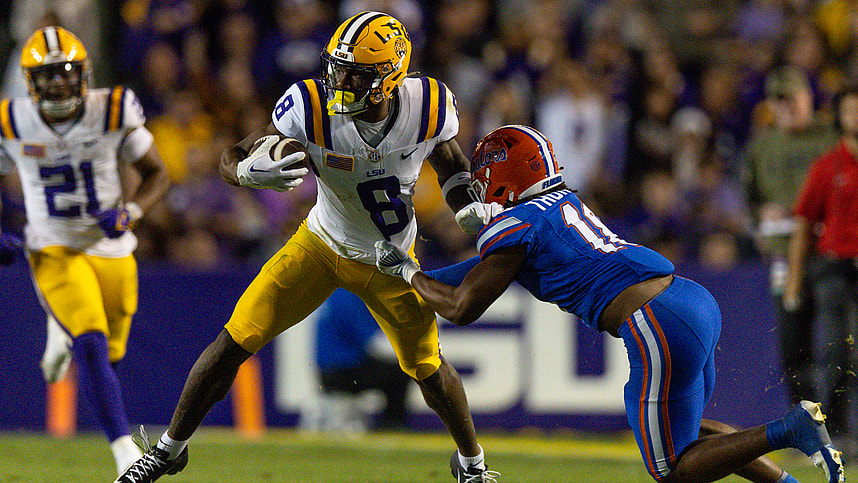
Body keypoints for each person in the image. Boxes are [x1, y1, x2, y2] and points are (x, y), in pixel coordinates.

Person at [116, 12, 498, 483]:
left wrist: (465, 207)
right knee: (234, 339)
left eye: (356, 74)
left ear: (391, 77)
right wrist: (246, 172)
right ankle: (168, 451)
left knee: (429, 370)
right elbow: (231, 154)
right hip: (319, 243)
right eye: (338, 69)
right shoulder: (310, 106)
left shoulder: (427, 105)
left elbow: (453, 165)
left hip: (391, 260)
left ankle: (472, 465)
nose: (341, 81)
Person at [375, 125, 846, 483]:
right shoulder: (558, 205)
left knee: (671, 468)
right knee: (685, 432)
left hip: (656, 321)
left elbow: (461, 306)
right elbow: (463, 279)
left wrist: (405, 270)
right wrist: (396, 276)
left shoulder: (515, 227)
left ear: (501, 179)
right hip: (689, 299)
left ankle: (791, 429)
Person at [0, 26, 170, 475]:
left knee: (109, 355)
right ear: (30, 82)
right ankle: (125, 455)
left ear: (84, 74)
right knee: (92, 344)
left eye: (65, 72)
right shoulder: (12, 121)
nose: (57, 83)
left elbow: (157, 173)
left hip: (110, 245)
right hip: (51, 246)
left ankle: (61, 330)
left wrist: (130, 212)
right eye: (47, 75)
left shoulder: (111, 109)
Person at [742, 66, 839, 407]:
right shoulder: (762, 145)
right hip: (783, 256)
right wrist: (760, 215)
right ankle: (806, 425)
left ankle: (840, 425)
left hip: (830, 255)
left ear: (807, 97)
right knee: (792, 345)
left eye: (792, 99)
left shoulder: (833, 138)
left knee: (835, 344)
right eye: (778, 100)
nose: (786, 107)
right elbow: (749, 201)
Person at [784, 85, 858, 459]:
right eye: (850, 111)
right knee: (837, 351)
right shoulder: (827, 166)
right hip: (835, 270)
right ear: (840, 118)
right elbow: (803, 224)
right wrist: (795, 280)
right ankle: (835, 433)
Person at [310, 288, 411, 432]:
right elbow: (373, 343)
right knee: (400, 372)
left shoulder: (336, 291)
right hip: (342, 371)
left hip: (332, 370)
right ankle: (393, 424)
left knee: (395, 370)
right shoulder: (350, 294)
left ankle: (392, 423)